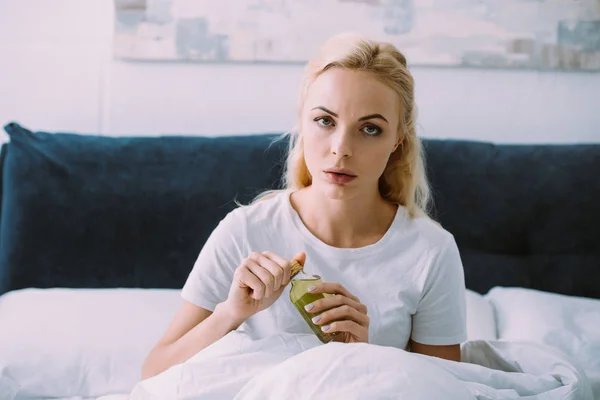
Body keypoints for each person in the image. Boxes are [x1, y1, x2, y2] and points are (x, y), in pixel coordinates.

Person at [141, 33, 467, 380]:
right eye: (325, 121)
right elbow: (153, 375)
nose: (341, 149)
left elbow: (447, 387)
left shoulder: (431, 251)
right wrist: (230, 313)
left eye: (370, 129)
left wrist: (363, 357)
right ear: (302, 121)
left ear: (397, 140)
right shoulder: (245, 231)